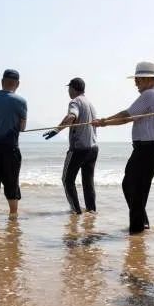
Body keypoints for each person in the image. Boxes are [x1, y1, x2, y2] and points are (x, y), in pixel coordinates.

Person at [92, 62, 154, 234]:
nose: (136, 83)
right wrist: (104, 122)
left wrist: (104, 122)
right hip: (149, 149)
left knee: (135, 187)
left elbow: (127, 116)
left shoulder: (149, 95)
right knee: (131, 185)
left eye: (138, 79)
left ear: (149, 79)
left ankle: (137, 231)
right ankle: (142, 224)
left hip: (148, 149)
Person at [43, 77, 99, 214]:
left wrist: (56, 130)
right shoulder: (90, 103)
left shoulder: (75, 102)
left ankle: (76, 211)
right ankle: (91, 211)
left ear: (73, 88)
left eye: (69, 88)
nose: (68, 91)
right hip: (93, 148)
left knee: (67, 180)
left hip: (79, 149)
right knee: (88, 182)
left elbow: (71, 116)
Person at [0, 69, 28, 217]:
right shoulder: (20, 101)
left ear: (2, 82)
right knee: (11, 183)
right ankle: (13, 217)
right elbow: (22, 127)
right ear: (18, 84)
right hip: (9, 146)